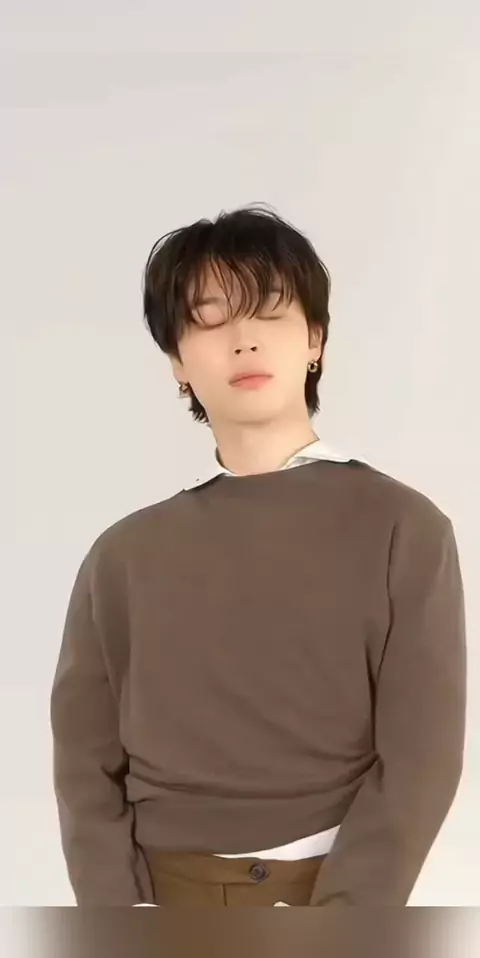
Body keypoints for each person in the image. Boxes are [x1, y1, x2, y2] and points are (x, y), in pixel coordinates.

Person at [50, 204, 467, 907]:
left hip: (334, 897)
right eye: (210, 320)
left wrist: (343, 928)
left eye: (270, 311)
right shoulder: (121, 555)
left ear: (315, 338)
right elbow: (84, 767)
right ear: (178, 362)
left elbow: (420, 762)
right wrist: (119, 919)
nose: (243, 341)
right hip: (159, 903)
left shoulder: (405, 528)